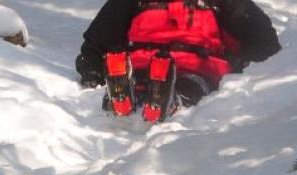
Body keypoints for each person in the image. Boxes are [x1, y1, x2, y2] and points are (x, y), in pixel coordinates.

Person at [76, 0, 281, 122]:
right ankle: (170, 98)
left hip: (141, 60)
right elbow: (264, 42)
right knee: (192, 85)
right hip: (198, 66)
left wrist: (92, 69)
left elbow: (98, 38)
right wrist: (243, 62)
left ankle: (123, 94)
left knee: (139, 79)